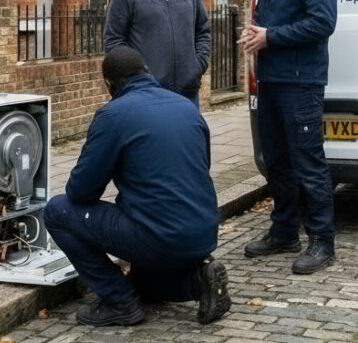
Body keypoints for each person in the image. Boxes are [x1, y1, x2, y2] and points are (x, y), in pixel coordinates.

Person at [43, 46, 230, 327]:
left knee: (58, 210)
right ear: (146, 71)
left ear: (109, 84)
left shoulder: (113, 115)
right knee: (142, 283)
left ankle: (119, 301)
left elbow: (81, 191)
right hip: (203, 232)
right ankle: (197, 281)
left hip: (159, 236)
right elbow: (199, 170)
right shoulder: (187, 107)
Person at [239, 0, 338, 275]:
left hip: (301, 84)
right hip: (270, 82)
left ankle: (322, 241)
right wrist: (255, 35)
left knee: (308, 164)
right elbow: (267, 22)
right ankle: (284, 232)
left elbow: (323, 23)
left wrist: (270, 37)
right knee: (277, 163)